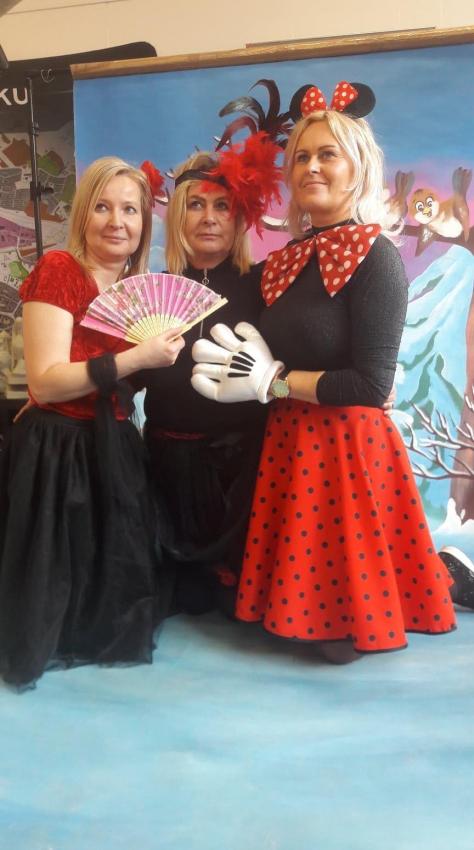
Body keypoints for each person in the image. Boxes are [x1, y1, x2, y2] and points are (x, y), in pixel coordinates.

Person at [192, 81, 472, 663]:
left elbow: (370, 386)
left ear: (358, 169)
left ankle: (445, 574)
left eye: (328, 154)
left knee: (338, 643)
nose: (312, 167)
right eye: (301, 157)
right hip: (286, 447)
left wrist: (275, 382)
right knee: (284, 628)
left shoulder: (376, 257)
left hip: (347, 456)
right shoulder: (282, 264)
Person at [0, 156, 185, 688]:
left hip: (114, 446)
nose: (116, 222)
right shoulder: (60, 270)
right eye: (103, 207)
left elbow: (121, 381)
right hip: (56, 449)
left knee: (105, 569)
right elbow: (46, 383)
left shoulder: (138, 292)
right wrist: (137, 358)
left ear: (144, 222)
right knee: (50, 569)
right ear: (83, 214)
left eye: (130, 210)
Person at [138, 142, 279, 615]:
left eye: (222, 206)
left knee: (235, 606)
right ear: (178, 214)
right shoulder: (154, 289)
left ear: (239, 218)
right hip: (164, 469)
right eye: (196, 204)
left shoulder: (264, 286)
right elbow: (129, 376)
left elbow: (302, 350)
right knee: (182, 599)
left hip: (240, 471)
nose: (209, 218)